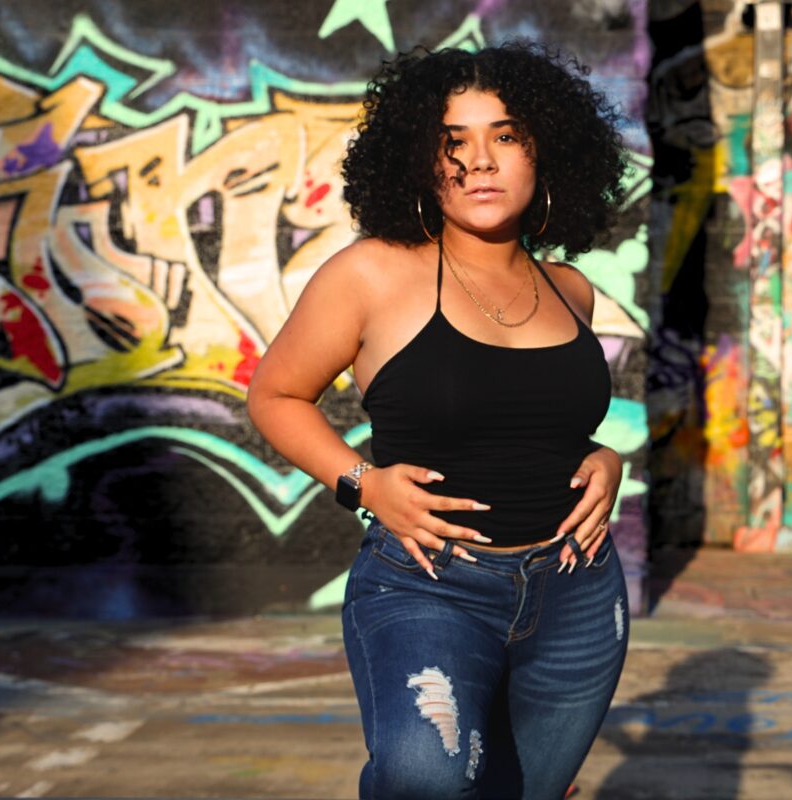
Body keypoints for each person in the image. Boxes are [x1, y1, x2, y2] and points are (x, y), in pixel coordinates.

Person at [247, 41, 630, 800]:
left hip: (576, 592)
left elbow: (533, 421)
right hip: (430, 586)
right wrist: (361, 484)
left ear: (544, 150)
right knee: (425, 778)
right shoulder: (373, 274)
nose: (480, 162)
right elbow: (275, 397)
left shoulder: (570, 290)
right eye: (453, 142)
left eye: (506, 136)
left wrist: (604, 458)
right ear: (422, 162)